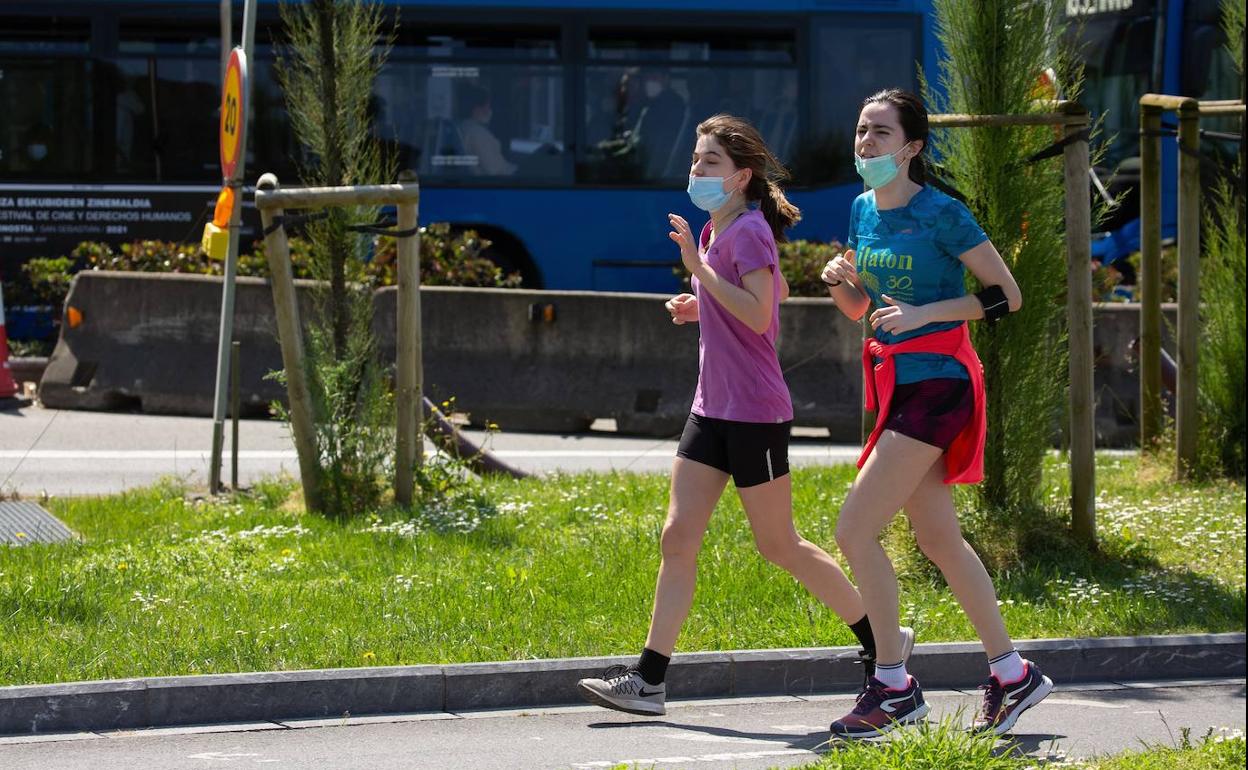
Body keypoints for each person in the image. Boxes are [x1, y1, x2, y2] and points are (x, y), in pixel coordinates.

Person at [576, 114, 914, 717]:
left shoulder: (748, 231)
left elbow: (760, 315)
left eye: (709, 163)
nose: (696, 171)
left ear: (741, 178)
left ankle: (882, 643)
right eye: (695, 161)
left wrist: (701, 275)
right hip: (710, 409)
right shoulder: (717, 228)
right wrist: (700, 305)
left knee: (779, 544)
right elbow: (772, 297)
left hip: (755, 415)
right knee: (676, 538)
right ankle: (650, 680)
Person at [820, 88, 1053, 739]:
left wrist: (926, 313)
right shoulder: (862, 209)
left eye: (881, 133)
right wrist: (844, 282)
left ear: (913, 146)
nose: (866, 142)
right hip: (896, 387)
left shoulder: (944, 214)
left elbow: (1007, 297)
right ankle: (1012, 673)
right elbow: (862, 310)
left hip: (940, 384)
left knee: (854, 530)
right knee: (938, 539)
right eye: (862, 130)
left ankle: (892, 685)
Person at [456, 84, 516, 177]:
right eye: (487, 106)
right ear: (476, 109)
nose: (489, 110)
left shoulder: (464, 127)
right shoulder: (477, 133)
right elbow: (495, 170)